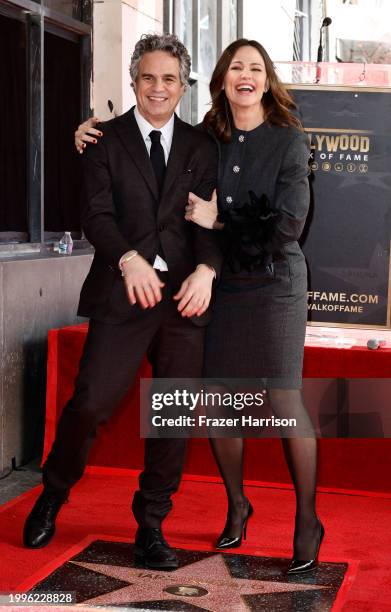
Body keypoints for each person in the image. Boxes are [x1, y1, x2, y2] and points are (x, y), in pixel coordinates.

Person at [75, 39, 323, 575]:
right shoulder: (209, 138)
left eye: (255, 67)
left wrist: (219, 223)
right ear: (221, 80)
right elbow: (149, 142)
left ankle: (308, 519)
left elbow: (288, 229)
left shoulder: (289, 142)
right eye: (236, 66)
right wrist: (86, 133)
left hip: (275, 286)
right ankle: (237, 503)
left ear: (267, 79)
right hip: (220, 287)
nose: (245, 75)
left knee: (283, 399)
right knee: (216, 400)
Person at [23, 33, 222, 572]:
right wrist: (128, 259)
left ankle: (152, 525)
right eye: (148, 77)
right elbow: (95, 215)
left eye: (169, 79)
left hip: (183, 300)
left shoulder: (203, 147)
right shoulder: (102, 141)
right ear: (133, 81)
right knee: (90, 402)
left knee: (172, 417)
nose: (158, 88)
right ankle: (53, 492)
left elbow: (207, 221)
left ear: (184, 86)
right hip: (122, 292)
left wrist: (208, 269)